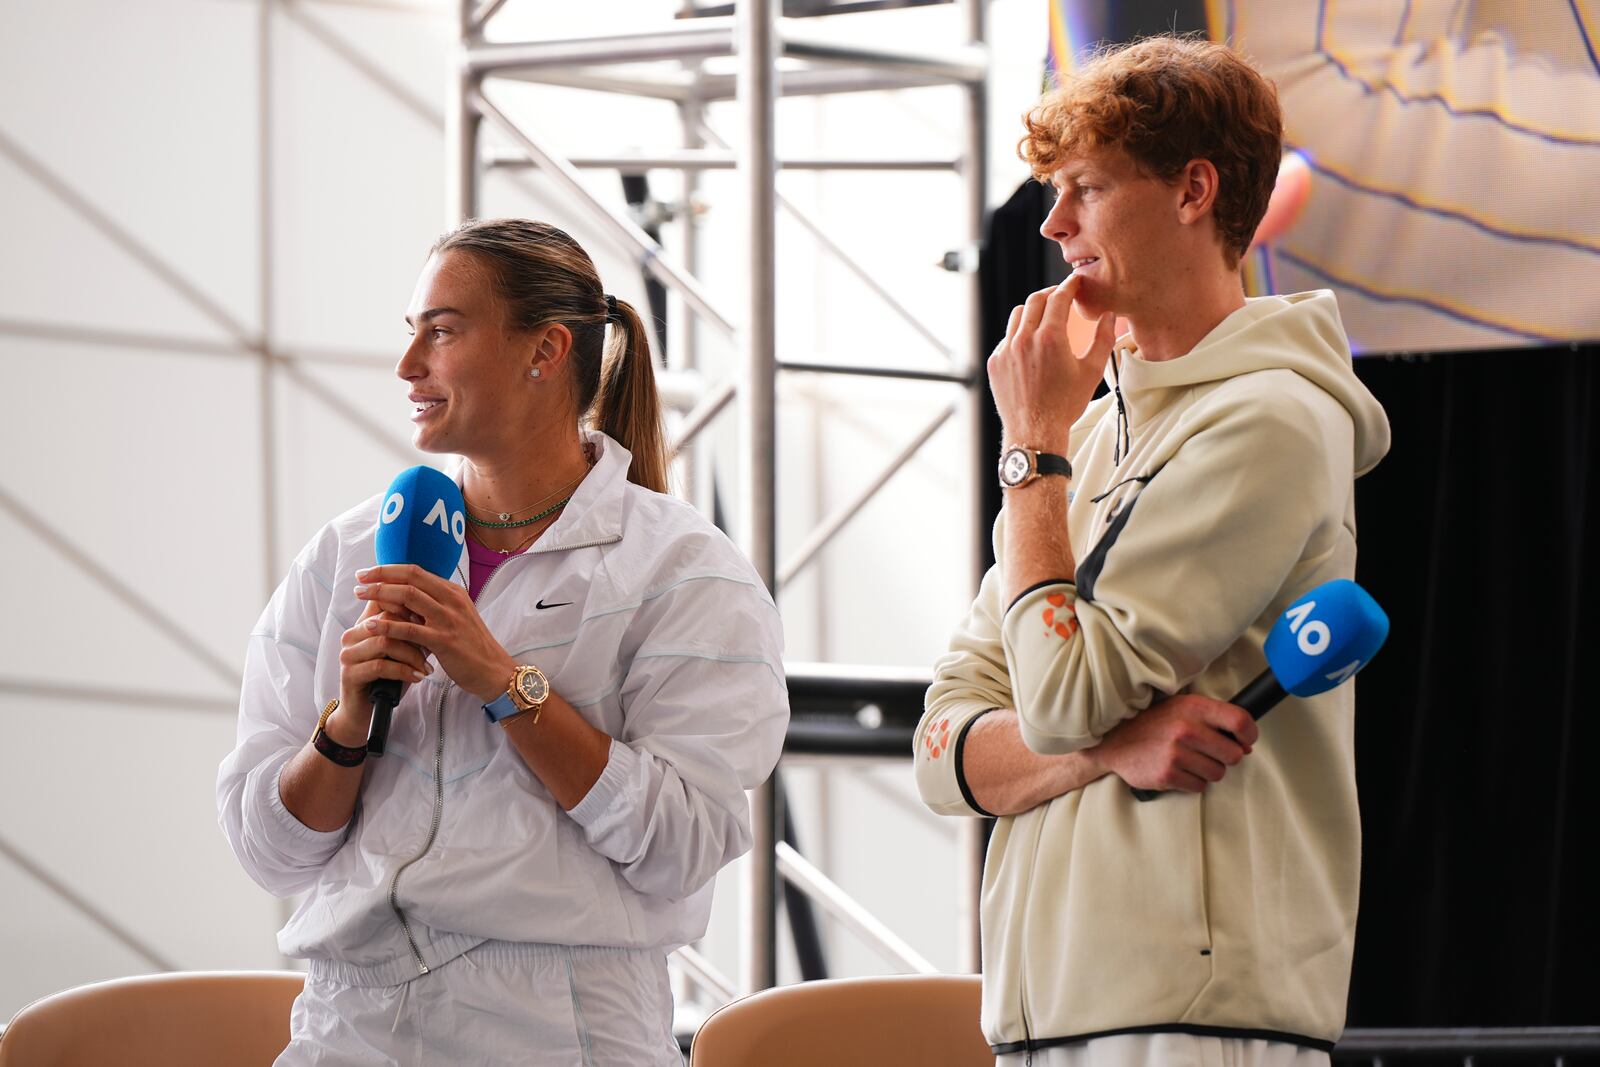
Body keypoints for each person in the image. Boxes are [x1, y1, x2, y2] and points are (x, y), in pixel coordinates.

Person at [913, 36, 1391, 1066]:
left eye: (1083, 186)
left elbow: (1058, 694)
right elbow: (942, 743)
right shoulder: (1082, 438)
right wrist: (1100, 751)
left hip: (1193, 1014)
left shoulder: (1271, 418)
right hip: (1049, 1001)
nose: (1052, 224)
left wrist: (1030, 454)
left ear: (1193, 191)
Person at [217, 218, 788, 1065]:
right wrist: (345, 727)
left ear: (545, 350)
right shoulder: (344, 554)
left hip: (564, 1032)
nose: (408, 368)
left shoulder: (685, 569)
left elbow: (682, 845)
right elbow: (268, 848)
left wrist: (502, 680)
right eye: (410, 334)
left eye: (441, 332)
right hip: (347, 1030)